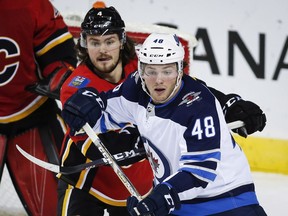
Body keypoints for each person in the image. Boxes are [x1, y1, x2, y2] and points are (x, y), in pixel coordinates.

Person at [61, 32, 267, 216]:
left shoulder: (199, 106)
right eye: (151, 71)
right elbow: (105, 113)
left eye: (167, 71)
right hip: (179, 205)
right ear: (141, 70)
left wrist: (162, 197)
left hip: (228, 203)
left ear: (179, 71)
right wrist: (85, 107)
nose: (158, 80)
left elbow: (200, 171)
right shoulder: (137, 87)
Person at [57, 5, 153, 216]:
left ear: (121, 41)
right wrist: (144, 139)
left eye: (109, 41)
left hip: (139, 185)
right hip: (88, 184)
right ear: (84, 44)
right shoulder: (74, 88)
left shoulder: (144, 69)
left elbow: (181, 93)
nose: (102, 50)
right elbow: (95, 148)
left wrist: (226, 103)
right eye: (95, 42)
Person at [0, 0, 77, 215]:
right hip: (32, 113)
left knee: (60, 208)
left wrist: (60, 74)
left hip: (33, 116)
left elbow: (61, 56)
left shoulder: (32, 4)